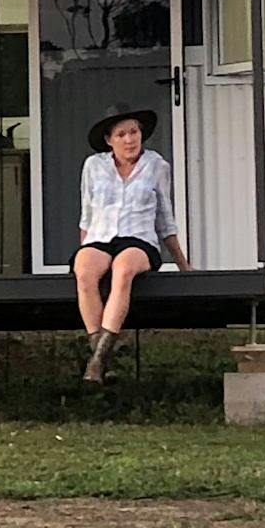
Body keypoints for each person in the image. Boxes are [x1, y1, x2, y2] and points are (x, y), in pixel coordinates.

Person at [73, 108, 183, 382]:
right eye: (121, 134)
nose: (130, 139)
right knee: (84, 270)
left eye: (134, 132)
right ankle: (103, 351)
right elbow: (86, 215)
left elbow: (164, 217)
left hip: (139, 239)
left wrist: (182, 263)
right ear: (109, 140)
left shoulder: (156, 165)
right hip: (101, 237)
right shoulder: (93, 166)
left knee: (123, 270)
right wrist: (83, 250)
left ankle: (96, 363)